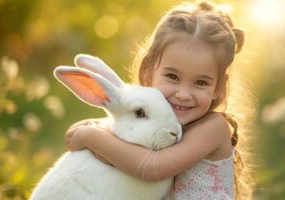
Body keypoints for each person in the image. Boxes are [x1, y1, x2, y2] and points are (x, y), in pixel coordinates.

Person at [65, 1, 254, 199]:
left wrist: (90, 137)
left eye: (200, 82)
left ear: (219, 87)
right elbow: (92, 131)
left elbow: (154, 168)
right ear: (148, 71)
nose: (183, 93)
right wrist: (91, 130)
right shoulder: (157, 124)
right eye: (173, 77)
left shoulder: (214, 128)